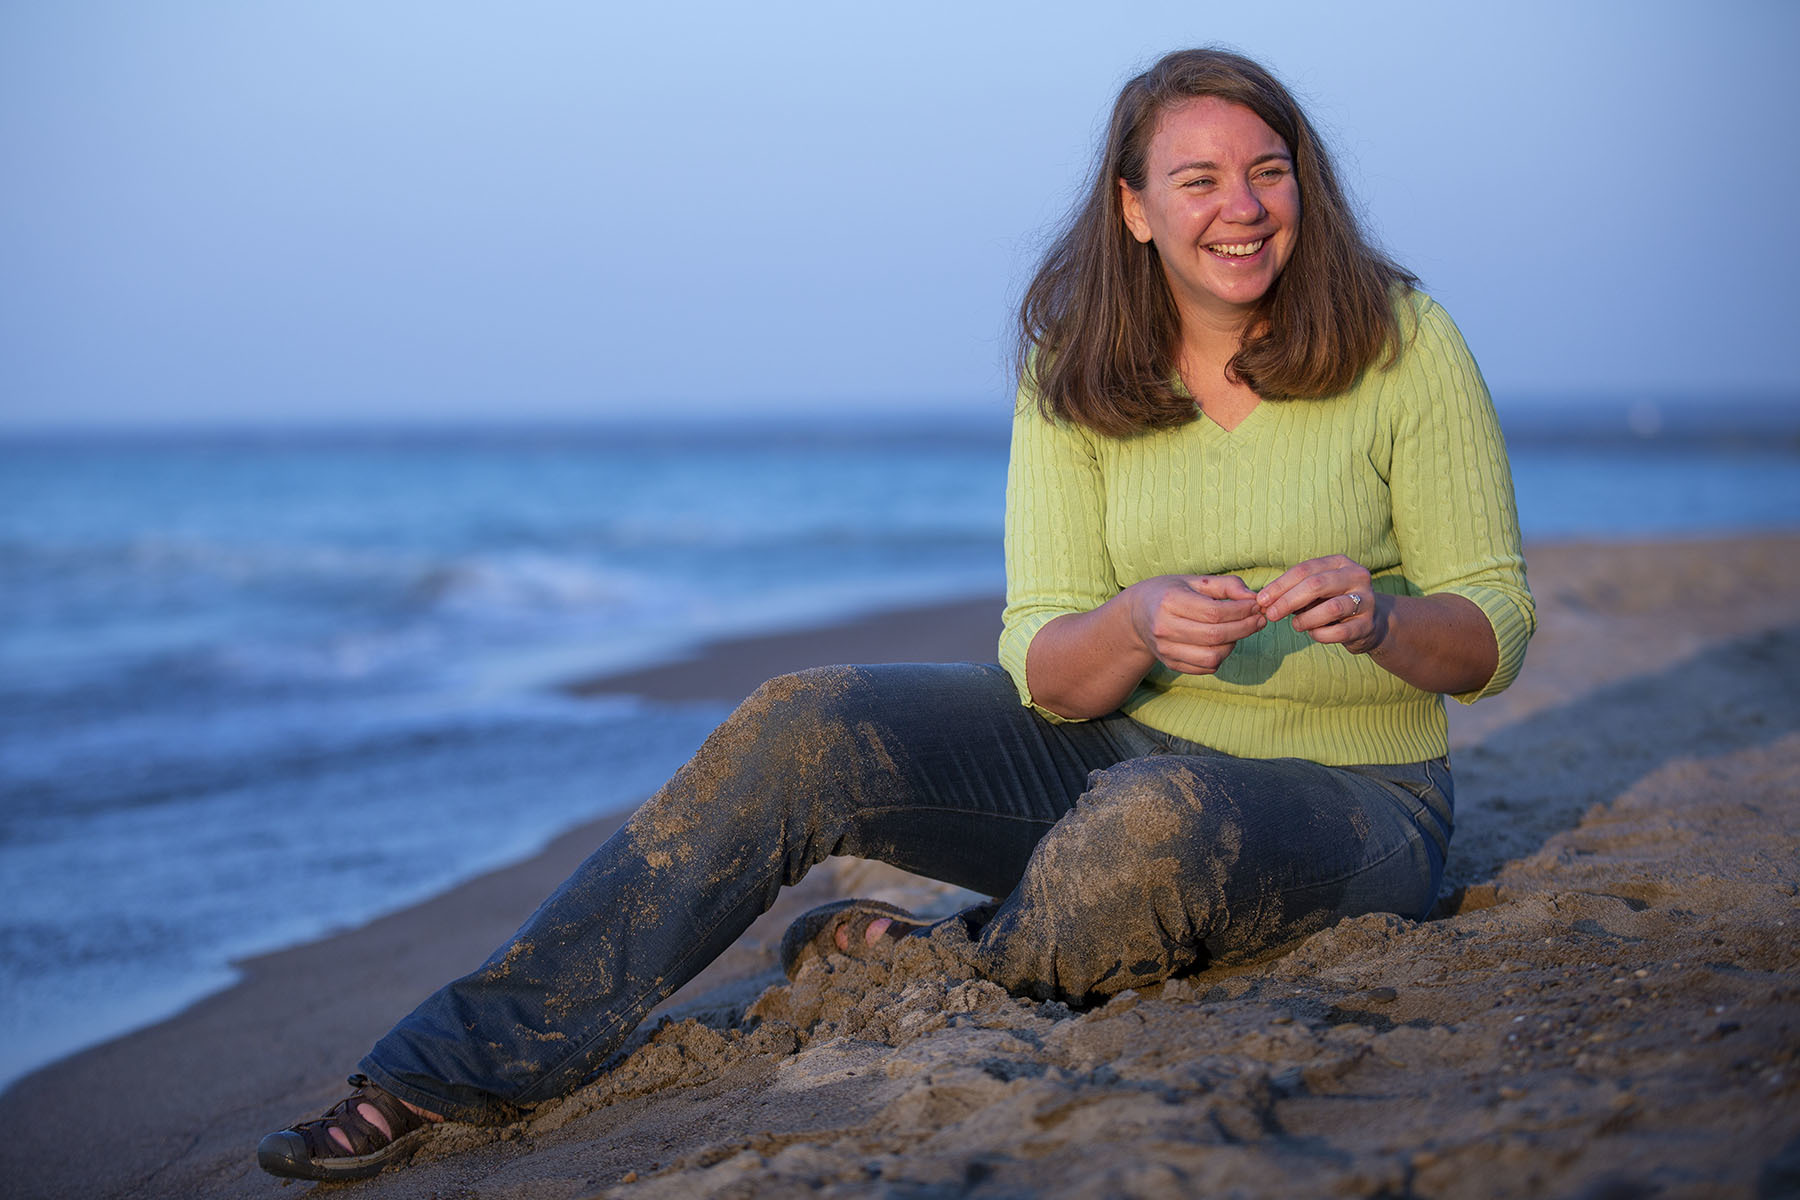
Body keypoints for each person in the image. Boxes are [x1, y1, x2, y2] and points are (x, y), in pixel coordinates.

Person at [257, 46, 1533, 1181]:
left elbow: (1491, 629)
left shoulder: (1403, 339)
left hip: (1357, 796)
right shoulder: (1074, 369)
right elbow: (1046, 668)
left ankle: (958, 954)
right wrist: (1138, 623)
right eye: (1197, 181)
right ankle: (451, 1066)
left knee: (1146, 829)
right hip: (1115, 751)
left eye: (1268, 170)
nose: (1241, 208)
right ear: (1135, 210)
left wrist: (1379, 621)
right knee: (802, 719)